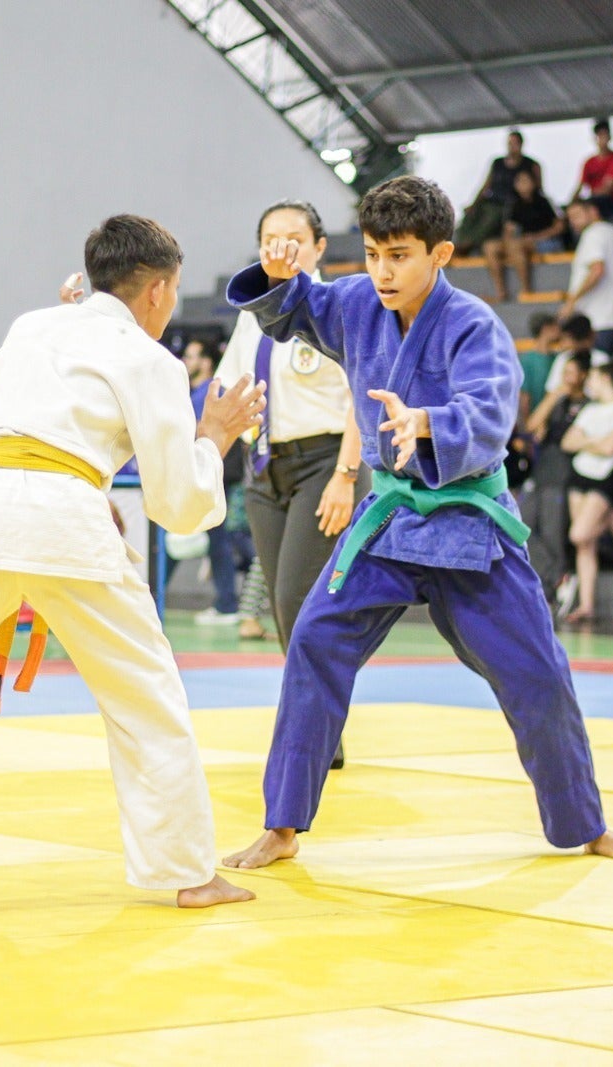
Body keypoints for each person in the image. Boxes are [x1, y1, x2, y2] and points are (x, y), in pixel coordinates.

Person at [222, 175, 613, 869]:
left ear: (441, 252)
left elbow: (489, 417)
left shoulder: (474, 326)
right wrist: (280, 275)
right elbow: (302, 307)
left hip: (466, 521)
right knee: (312, 640)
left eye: (399, 255)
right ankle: (282, 824)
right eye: (371, 254)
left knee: (537, 672)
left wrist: (428, 422)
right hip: (390, 520)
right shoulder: (359, 304)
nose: (383, 271)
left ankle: (585, 822)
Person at [0, 214, 265, 910]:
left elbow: (48, 380)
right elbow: (178, 503)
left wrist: (73, 311)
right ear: (160, 291)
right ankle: (191, 873)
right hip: (62, 517)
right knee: (144, 692)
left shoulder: (28, 327)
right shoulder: (150, 359)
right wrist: (214, 434)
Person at [217, 199, 366, 765]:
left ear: (319, 247)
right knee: (285, 612)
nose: (281, 249)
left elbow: (362, 396)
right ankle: (319, 723)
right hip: (265, 468)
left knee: (296, 597)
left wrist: (345, 476)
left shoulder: (337, 307)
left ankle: (315, 730)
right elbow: (233, 392)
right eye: (270, 240)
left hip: (324, 464)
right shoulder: (249, 315)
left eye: (293, 239)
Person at [181, 339, 256, 626]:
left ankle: (228, 603)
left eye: (193, 356)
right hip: (210, 469)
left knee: (222, 539)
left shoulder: (209, 392)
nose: (188, 362)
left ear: (206, 361)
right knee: (217, 539)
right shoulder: (194, 392)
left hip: (217, 470)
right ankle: (227, 601)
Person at [560, 361, 613, 623]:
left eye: (592, 378)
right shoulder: (590, 410)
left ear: (605, 378)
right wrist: (595, 442)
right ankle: (586, 604)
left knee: (579, 533)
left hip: (604, 477)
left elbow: (611, 448)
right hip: (580, 473)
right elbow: (568, 442)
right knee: (585, 545)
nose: (588, 383)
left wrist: (586, 442)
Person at [525, 352, 592, 599]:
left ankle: (552, 590)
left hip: (564, 475)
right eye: (565, 373)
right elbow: (532, 425)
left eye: (572, 373)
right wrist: (553, 396)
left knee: (553, 533)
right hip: (542, 472)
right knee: (520, 527)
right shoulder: (557, 403)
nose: (567, 378)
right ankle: (558, 577)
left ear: (584, 375)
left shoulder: (589, 407)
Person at [559, 198, 613, 356]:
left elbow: (597, 269)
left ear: (593, 211)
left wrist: (571, 300)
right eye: (570, 218)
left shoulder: (592, 234)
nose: (573, 222)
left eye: (576, 215)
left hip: (596, 320)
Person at [484, 169, 566, 302]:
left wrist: (537, 237)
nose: (522, 185)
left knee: (516, 246)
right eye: (519, 181)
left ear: (533, 183)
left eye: (525, 181)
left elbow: (560, 227)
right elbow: (508, 229)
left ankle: (526, 290)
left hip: (547, 241)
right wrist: (508, 242)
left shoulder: (545, 201)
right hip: (523, 241)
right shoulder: (513, 204)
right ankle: (501, 291)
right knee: (490, 247)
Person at [455, 130, 541, 255]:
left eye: (515, 143)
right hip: (491, 200)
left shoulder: (531, 164)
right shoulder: (497, 163)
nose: (512, 146)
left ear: (521, 144)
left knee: (491, 217)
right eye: (510, 143)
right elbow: (486, 185)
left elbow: (538, 188)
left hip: (511, 204)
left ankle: (469, 244)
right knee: (471, 215)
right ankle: (460, 242)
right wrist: (474, 204)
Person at [571, 118, 613, 219]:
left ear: (609, 137)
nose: (602, 139)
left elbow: (607, 189)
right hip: (595, 203)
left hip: (612, 205)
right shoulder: (589, 162)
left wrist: (586, 202)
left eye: (604, 135)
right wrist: (572, 203)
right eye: (599, 135)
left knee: (592, 206)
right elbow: (580, 186)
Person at [519, 311, 563, 419]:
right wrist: (529, 422)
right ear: (546, 328)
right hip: (538, 417)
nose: (559, 330)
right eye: (555, 326)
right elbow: (525, 397)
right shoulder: (528, 360)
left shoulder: (559, 358)